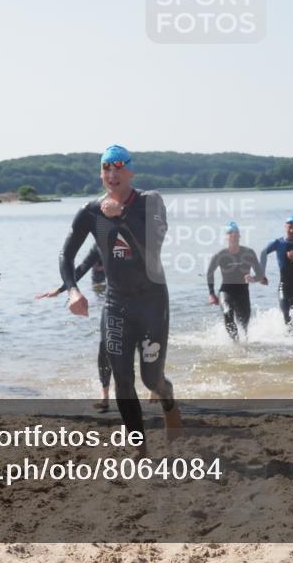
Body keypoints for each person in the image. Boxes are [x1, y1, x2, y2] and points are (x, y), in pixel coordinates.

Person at [59, 145, 181, 447]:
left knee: (151, 379)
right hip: (116, 304)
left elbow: (152, 244)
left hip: (152, 301)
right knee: (122, 380)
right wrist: (73, 290)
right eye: (105, 168)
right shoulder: (90, 211)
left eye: (117, 168)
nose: (111, 174)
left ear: (130, 171)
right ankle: (139, 447)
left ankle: (168, 399)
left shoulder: (150, 202)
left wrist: (123, 214)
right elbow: (66, 254)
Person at [36, 246, 113, 411]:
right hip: (113, 302)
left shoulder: (137, 234)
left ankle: (155, 386)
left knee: (142, 350)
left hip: (139, 301)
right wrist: (62, 289)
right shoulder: (100, 244)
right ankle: (105, 396)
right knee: (104, 348)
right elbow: (81, 268)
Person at [206, 221, 266, 340]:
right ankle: (235, 343)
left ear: (239, 236)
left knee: (244, 326)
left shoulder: (249, 253)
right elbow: (209, 273)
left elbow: (260, 275)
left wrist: (252, 278)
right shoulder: (220, 255)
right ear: (226, 237)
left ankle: (243, 347)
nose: (233, 235)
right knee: (227, 312)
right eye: (230, 233)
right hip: (226, 291)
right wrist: (211, 293)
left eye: (235, 233)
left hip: (243, 293)